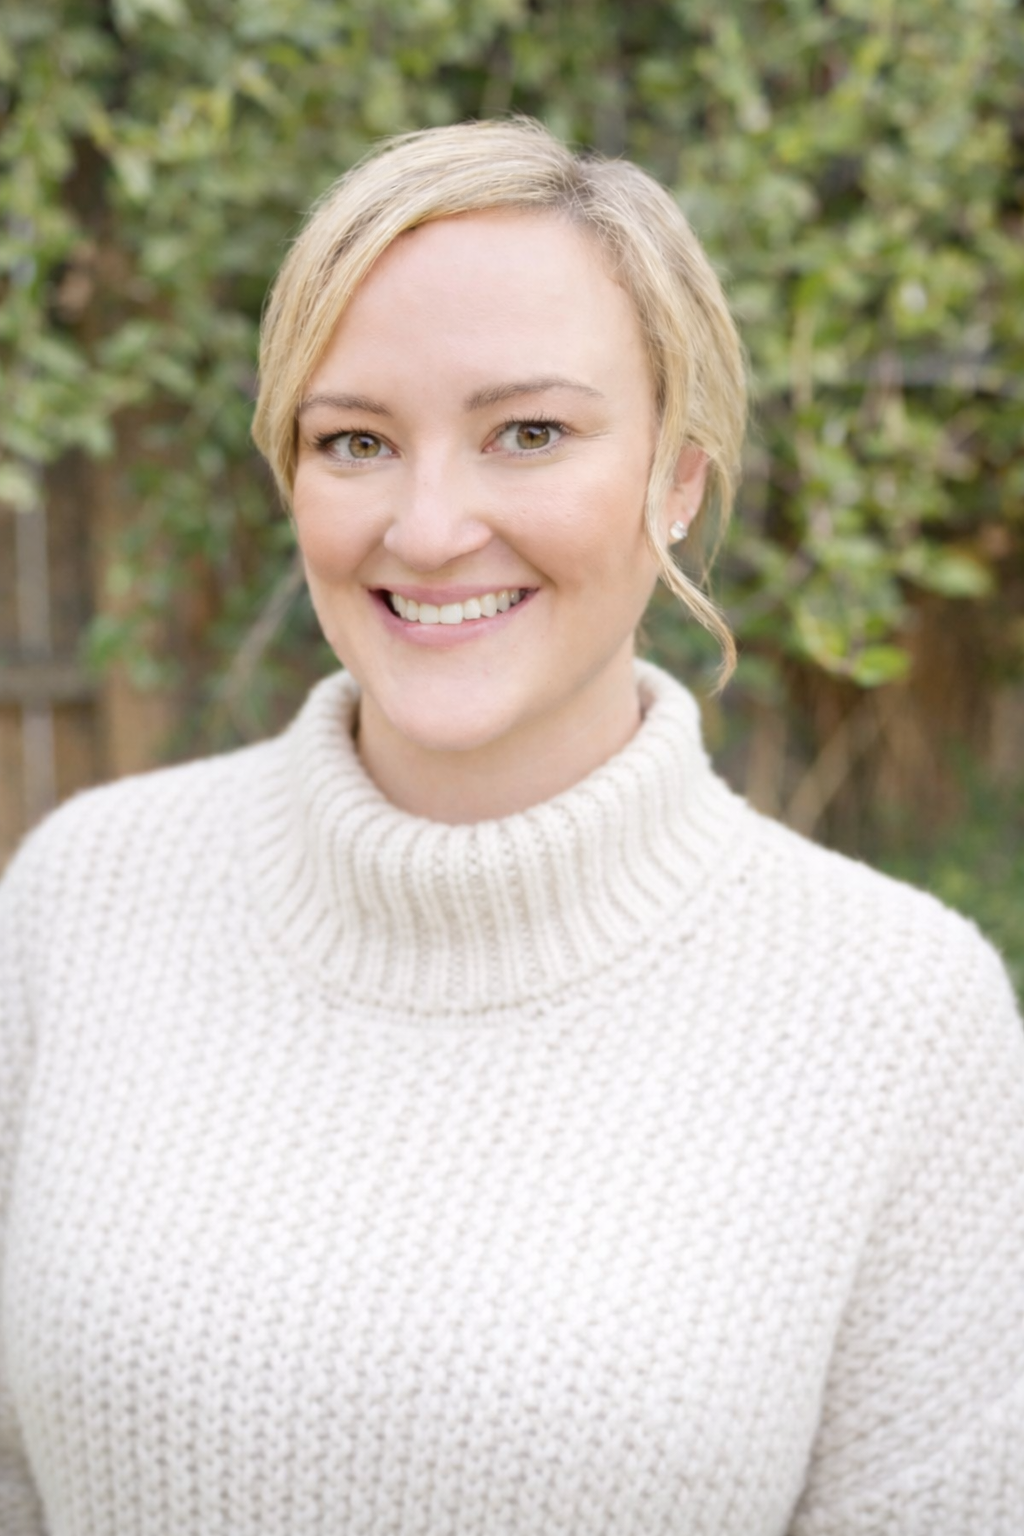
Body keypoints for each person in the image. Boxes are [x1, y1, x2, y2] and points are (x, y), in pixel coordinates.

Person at [1, 117, 1022, 1536]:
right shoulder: (80, 902)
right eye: (354, 440)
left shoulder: (897, 1016)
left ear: (677, 474)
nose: (427, 529)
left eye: (528, 433)